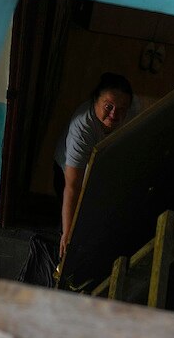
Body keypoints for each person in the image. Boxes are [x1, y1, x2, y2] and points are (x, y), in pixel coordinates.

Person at [53, 72, 136, 259]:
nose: (115, 114)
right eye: (108, 106)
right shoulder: (82, 128)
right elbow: (72, 187)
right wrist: (67, 234)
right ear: (94, 101)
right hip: (68, 172)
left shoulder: (131, 109)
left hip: (99, 164)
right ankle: (62, 248)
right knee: (68, 223)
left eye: (122, 108)